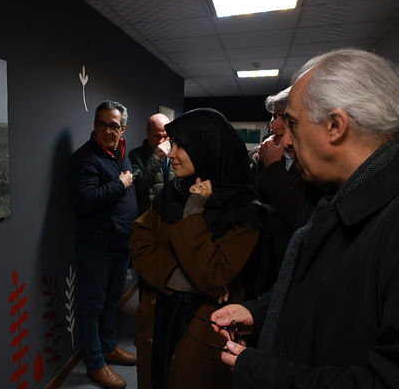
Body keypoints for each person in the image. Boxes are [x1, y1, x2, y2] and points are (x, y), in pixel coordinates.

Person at [211, 48, 399, 389]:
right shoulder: (335, 192)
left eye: (293, 125)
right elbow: (327, 296)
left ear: (335, 126)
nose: (286, 144)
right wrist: (261, 311)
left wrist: (264, 372)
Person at [129, 108, 263, 389]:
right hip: (157, 315)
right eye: (172, 143)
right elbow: (139, 241)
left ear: (206, 150)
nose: (171, 152)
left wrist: (193, 212)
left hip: (202, 329)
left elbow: (211, 273)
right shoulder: (172, 191)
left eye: (180, 145)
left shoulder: (246, 211)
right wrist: (181, 279)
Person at [69, 100, 138, 389]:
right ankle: (95, 363)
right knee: (93, 305)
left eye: (113, 125)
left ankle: (109, 346)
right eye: (101, 124)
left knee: (113, 299)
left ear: (123, 128)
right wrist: (119, 186)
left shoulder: (120, 151)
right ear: (95, 125)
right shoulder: (85, 157)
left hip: (121, 241)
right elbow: (83, 202)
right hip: (97, 244)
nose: (107, 130)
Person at [243, 88, 305, 299]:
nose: (274, 125)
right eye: (273, 116)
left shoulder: (314, 163)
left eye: (284, 117)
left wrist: (273, 168)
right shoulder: (257, 156)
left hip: (292, 264)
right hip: (257, 260)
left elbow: (301, 217)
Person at [129, 113, 175, 215]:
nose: (162, 141)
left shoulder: (177, 153)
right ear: (148, 133)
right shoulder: (135, 155)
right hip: (149, 216)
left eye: (166, 136)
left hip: (173, 216)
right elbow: (136, 188)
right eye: (157, 136)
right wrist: (156, 158)